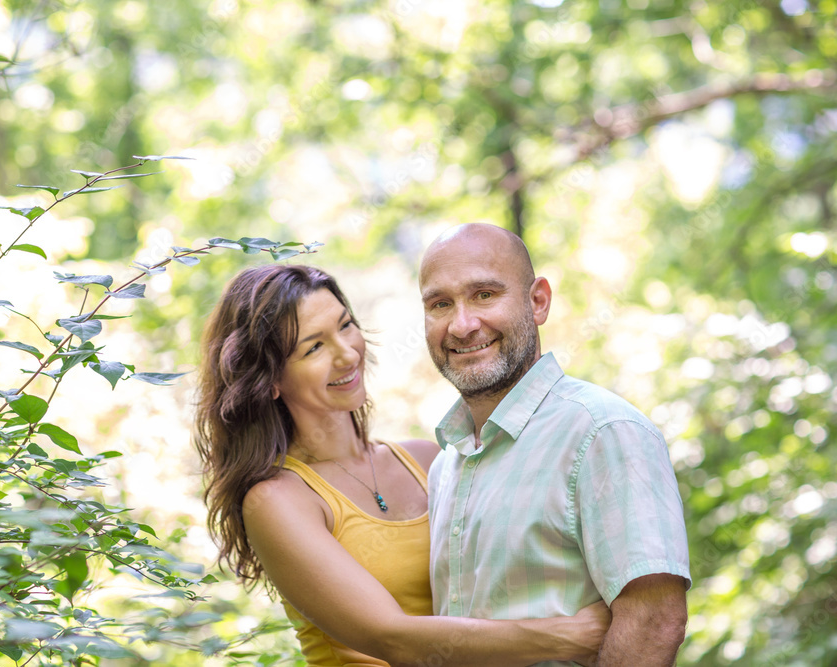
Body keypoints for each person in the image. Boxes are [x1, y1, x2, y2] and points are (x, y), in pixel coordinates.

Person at [194, 264, 611, 667]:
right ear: (269, 381)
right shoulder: (277, 500)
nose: (346, 354)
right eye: (314, 347)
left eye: (344, 326)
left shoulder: (429, 459)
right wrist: (569, 635)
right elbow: (392, 638)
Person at [419, 223, 692, 666]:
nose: (463, 324)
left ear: (538, 301)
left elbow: (655, 621)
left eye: (485, 295)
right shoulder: (446, 465)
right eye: (440, 304)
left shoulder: (604, 431)